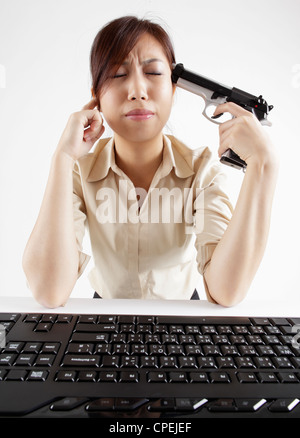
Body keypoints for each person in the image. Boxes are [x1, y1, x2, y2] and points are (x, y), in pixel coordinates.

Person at [22, 16, 279, 308]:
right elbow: (48, 291)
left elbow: (227, 291)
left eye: (154, 72)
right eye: (118, 75)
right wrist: (63, 158)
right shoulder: (80, 173)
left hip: (181, 318)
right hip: (106, 318)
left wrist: (263, 164)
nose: (137, 91)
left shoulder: (202, 171)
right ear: (96, 98)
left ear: (174, 88)